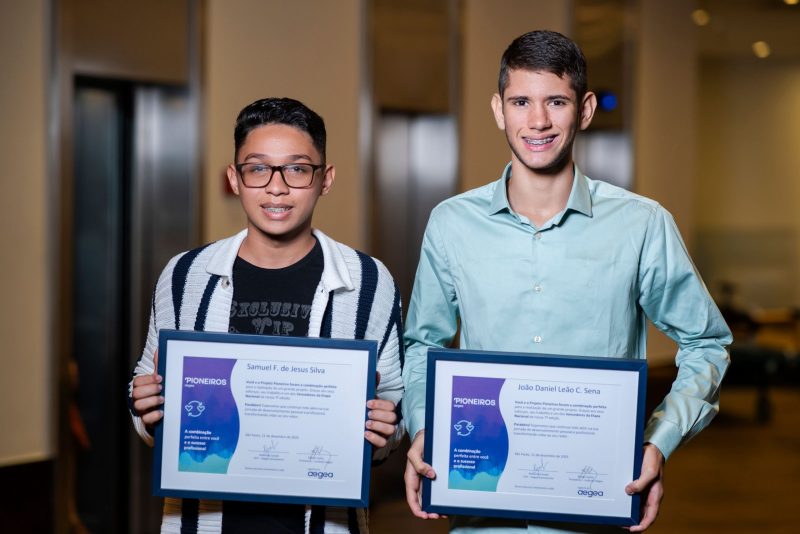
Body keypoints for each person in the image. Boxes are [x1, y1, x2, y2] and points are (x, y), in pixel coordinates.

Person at [402, 30, 731, 533]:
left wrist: (656, 442)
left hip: (597, 503)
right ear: (499, 109)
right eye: (521, 102)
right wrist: (425, 427)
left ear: (585, 109)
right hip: (483, 504)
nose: (537, 121)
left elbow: (706, 342)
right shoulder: (451, 223)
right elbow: (423, 342)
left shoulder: (641, 224)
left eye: (556, 101)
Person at [128, 97, 405, 533]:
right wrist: (145, 410)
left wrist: (384, 431)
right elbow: (148, 388)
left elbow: (393, 412)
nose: (276, 187)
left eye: (297, 169)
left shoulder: (369, 282)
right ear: (235, 179)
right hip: (205, 521)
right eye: (257, 168)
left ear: (325, 179)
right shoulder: (185, 276)